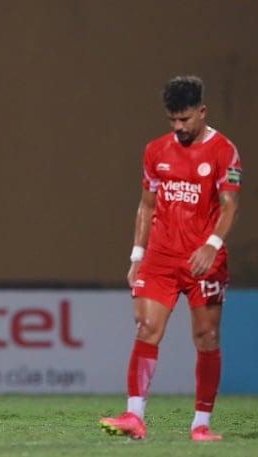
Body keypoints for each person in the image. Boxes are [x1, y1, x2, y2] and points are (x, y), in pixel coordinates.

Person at [100, 76, 242, 441]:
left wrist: (211, 243)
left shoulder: (224, 151)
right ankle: (134, 416)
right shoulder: (156, 151)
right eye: (172, 121)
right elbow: (146, 206)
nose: (178, 128)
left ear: (202, 112)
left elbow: (230, 205)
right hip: (161, 257)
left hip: (204, 260)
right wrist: (136, 256)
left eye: (185, 120)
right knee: (146, 328)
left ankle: (200, 425)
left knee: (207, 337)